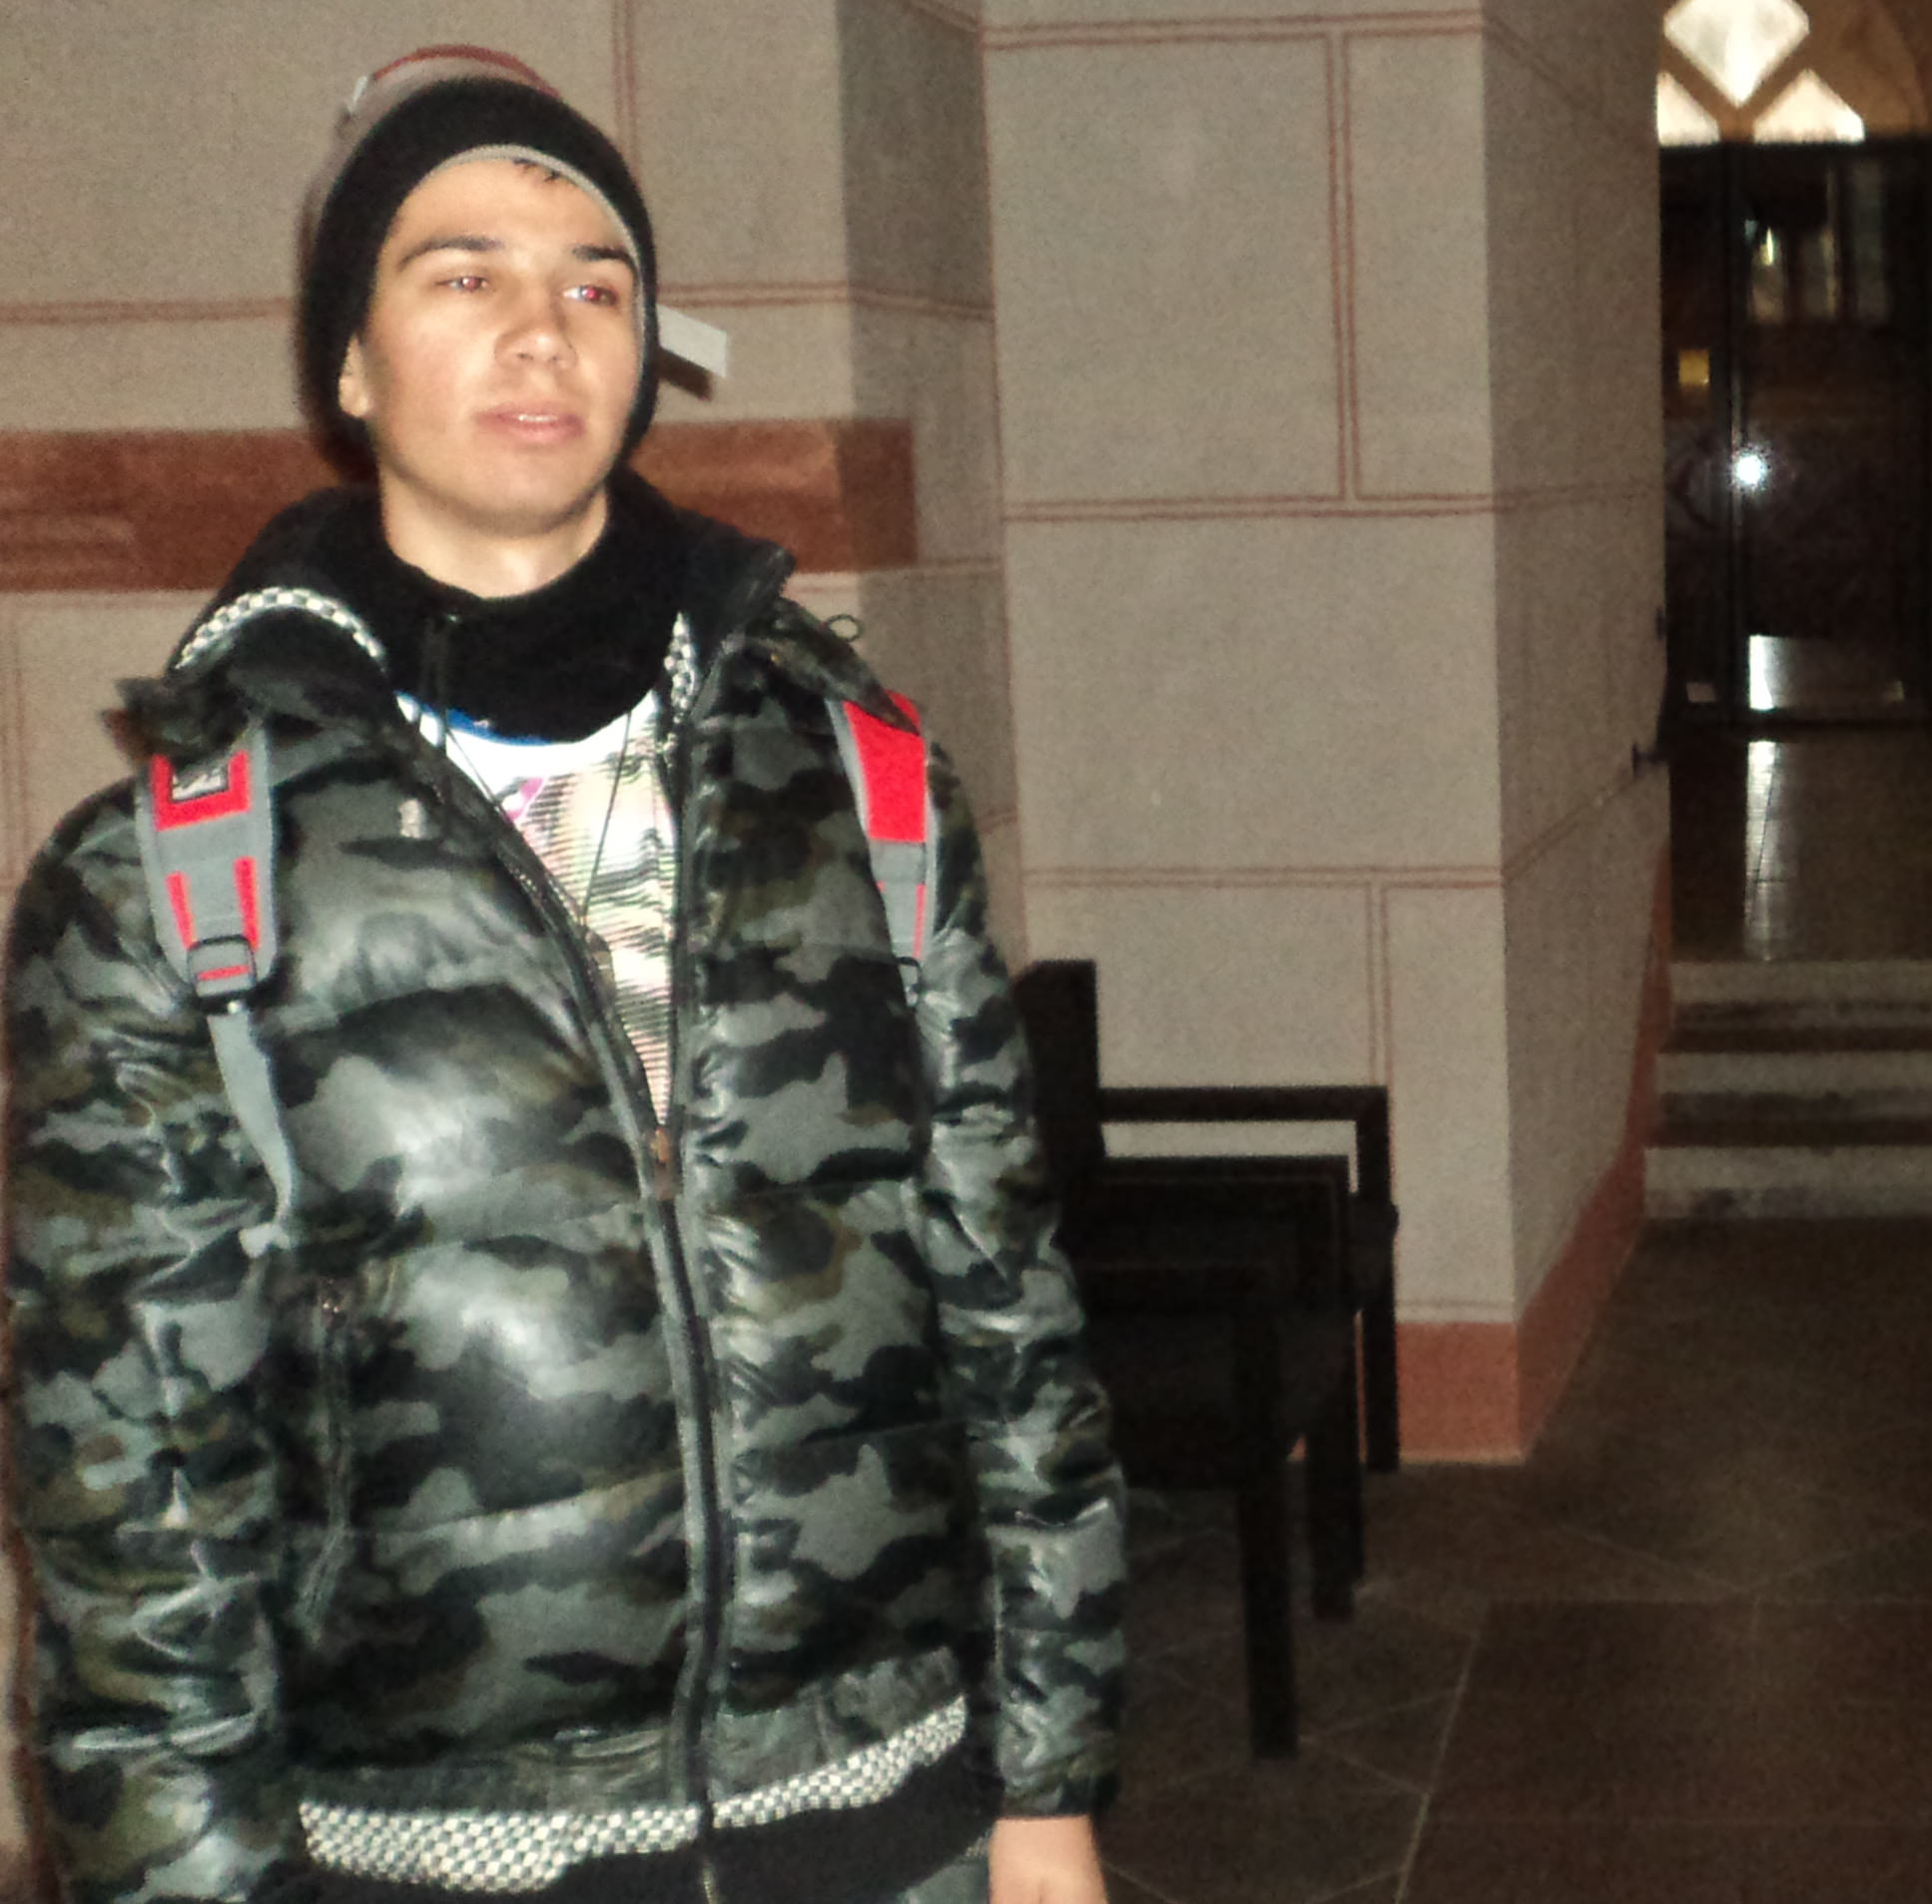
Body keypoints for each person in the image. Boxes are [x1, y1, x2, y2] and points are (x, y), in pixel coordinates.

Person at [5, 50, 1126, 1904]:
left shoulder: (857, 781)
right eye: (462, 274)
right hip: (427, 1849)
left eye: (596, 284)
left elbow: (1010, 1318)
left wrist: (1052, 1784)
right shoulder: (172, 872)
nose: (543, 330)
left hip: (896, 1813)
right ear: (347, 363)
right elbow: (136, 1507)